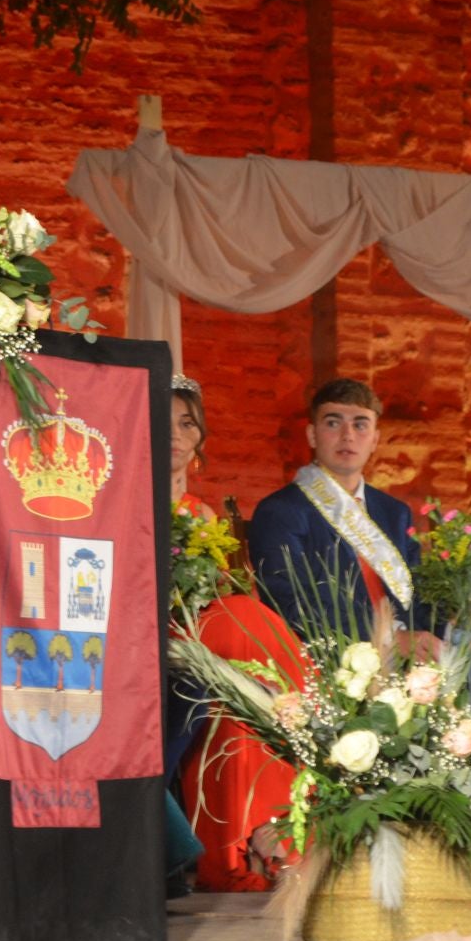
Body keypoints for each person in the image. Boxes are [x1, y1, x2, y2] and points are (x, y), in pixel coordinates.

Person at [245, 379, 471, 736]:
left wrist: (456, 629)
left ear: (375, 439)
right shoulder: (281, 511)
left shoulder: (392, 512)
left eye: (360, 424)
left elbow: (420, 595)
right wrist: (390, 641)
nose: (347, 435)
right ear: (312, 434)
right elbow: (292, 606)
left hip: (417, 660)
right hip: (342, 662)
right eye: (333, 422)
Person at [168, 376, 299, 891]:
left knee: (254, 647)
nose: (177, 435)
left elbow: (227, 584)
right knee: (245, 630)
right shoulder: (122, 499)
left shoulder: (203, 512)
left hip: (214, 628)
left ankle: (273, 826)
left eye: (187, 424)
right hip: (164, 632)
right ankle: (250, 836)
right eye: (166, 423)